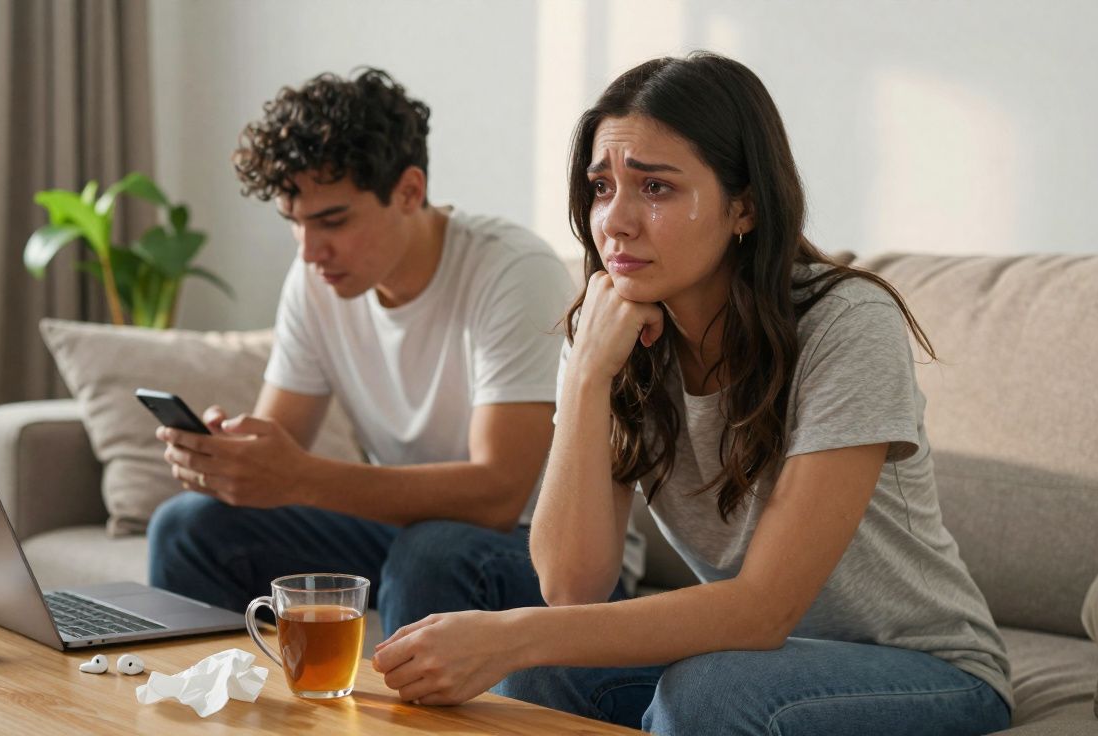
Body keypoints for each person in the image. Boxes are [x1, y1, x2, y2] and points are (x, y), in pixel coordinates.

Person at [371, 53, 1012, 735]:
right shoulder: (608, 331)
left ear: (745, 207)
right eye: (600, 187)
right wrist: (587, 377)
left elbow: (764, 610)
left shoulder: (846, 323)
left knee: (708, 693)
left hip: (926, 671)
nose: (614, 221)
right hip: (762, 660)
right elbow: (571, 587)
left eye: (655, 188)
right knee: (540, 675)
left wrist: (509, 633)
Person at [145, 68, 626, 637]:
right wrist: (234, 464)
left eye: (332, 220)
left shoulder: (511, 271)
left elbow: (499, 494)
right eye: (295, 224)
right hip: (406, 533)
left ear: (409, 191)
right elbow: (279, 447)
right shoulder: (316, 281)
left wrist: (301, 478)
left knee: (430, 552)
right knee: (189, 527)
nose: (310, 250)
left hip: (544, 557)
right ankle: (221, 713)